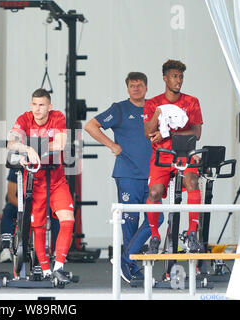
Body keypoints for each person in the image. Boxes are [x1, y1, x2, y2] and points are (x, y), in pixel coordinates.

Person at [84, 72, 162, 283]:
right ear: (127, 88)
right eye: (132, 85)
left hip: (154, 174)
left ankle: (125, 260)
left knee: (158, 218)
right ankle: (131, 268)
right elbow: (90, 126)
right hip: (128, 174)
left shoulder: (155, 109)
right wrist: (111, 145)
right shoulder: (119, 109)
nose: (136, 89)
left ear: (146, 87)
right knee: (130, 222)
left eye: (139, 85)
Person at [7, 88, 74, 283]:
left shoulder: (58, 117)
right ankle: (45, 270)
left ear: (49, 106)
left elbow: (60, 144)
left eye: (42, 105)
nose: (37, 109)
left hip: (56, 180)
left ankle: (59, 266)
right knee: (38, 226)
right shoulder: (24, 118)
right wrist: (27, 148)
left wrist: (36, 146)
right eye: (34, 104)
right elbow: (11, 143)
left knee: (67, 220)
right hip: (34, 180)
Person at [143, 59, 203, 254]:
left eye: (181, 77)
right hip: (161, 156)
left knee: (192, 181)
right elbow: (148, 133)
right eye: (175, 76)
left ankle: (192, 233)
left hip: (184, 154)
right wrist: (157, 115)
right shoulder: (153, 103)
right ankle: (155, 236)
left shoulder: (191, 101)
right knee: (154, 193)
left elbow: (196, 133)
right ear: (165, 79)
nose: (179, 80)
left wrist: (168, 133)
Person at [0, 168, 60, 263]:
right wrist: (25, 208)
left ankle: (58, 252)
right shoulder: (17, 167)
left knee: (56, 213)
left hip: (41, 204)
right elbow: (11, 196)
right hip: (21, 204)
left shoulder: (46, 167)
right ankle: (5, 249)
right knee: (8, 211)